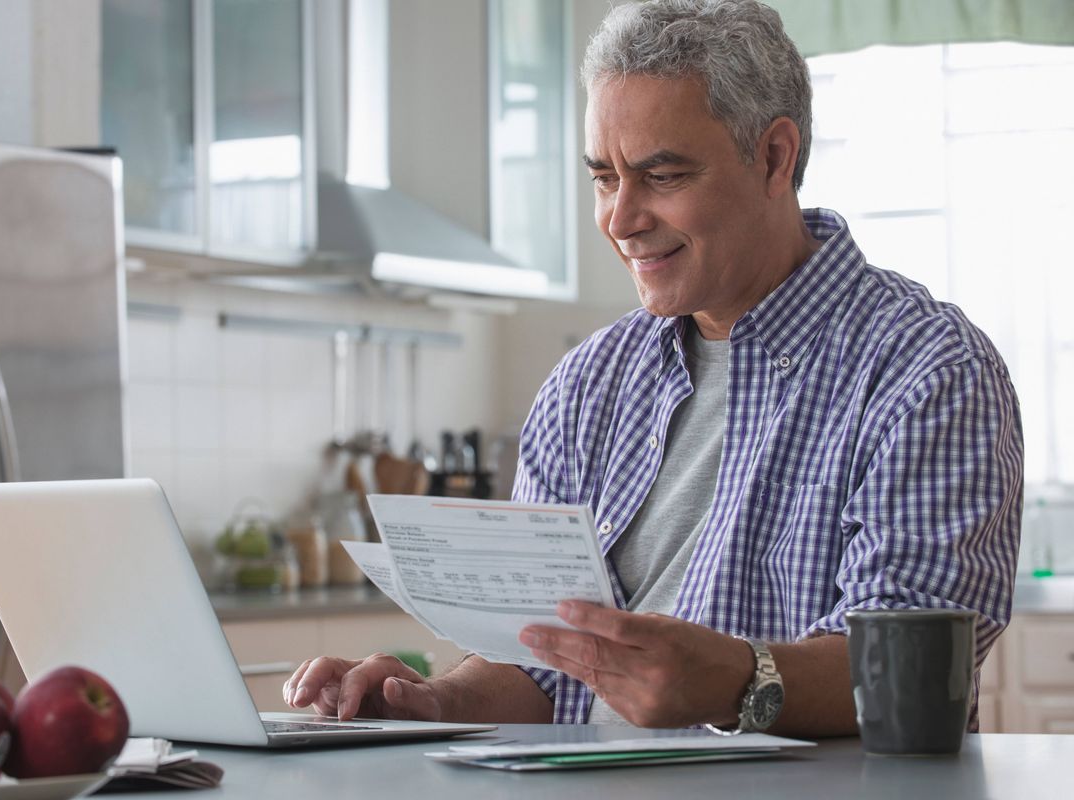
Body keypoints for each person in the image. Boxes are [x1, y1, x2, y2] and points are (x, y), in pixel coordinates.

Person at [283, 0, 1023, 737]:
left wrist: (738, 681)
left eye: (661, 176)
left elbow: (915, 676)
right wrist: (430, 705)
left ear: (774, 157)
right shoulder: (586, 385)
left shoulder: (928, 373)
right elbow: (542, 666)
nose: (619, 217)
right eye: (605, 177)